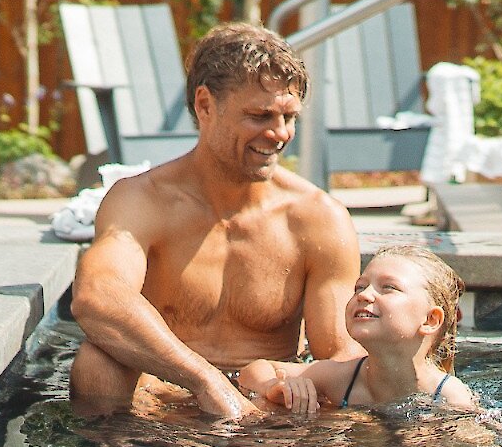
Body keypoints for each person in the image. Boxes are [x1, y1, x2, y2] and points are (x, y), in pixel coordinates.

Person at [67, 23, 363, 420]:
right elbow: (96, 297)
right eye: (260, 115)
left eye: (289, 117)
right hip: (162, 406)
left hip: (266, 411)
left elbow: (343, 355)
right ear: (205, 105)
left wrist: (276, 388)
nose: (280, 133)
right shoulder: (143, 201)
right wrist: (206, 381)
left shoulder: (317, 218)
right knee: (96, 363)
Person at [240, 245, 479, 415]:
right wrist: (272, 386)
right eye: (360, 286)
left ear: (430, 320)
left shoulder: (449, 396)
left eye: (388, 287)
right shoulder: (340, 379)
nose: (364, 295)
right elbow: (253, 371)